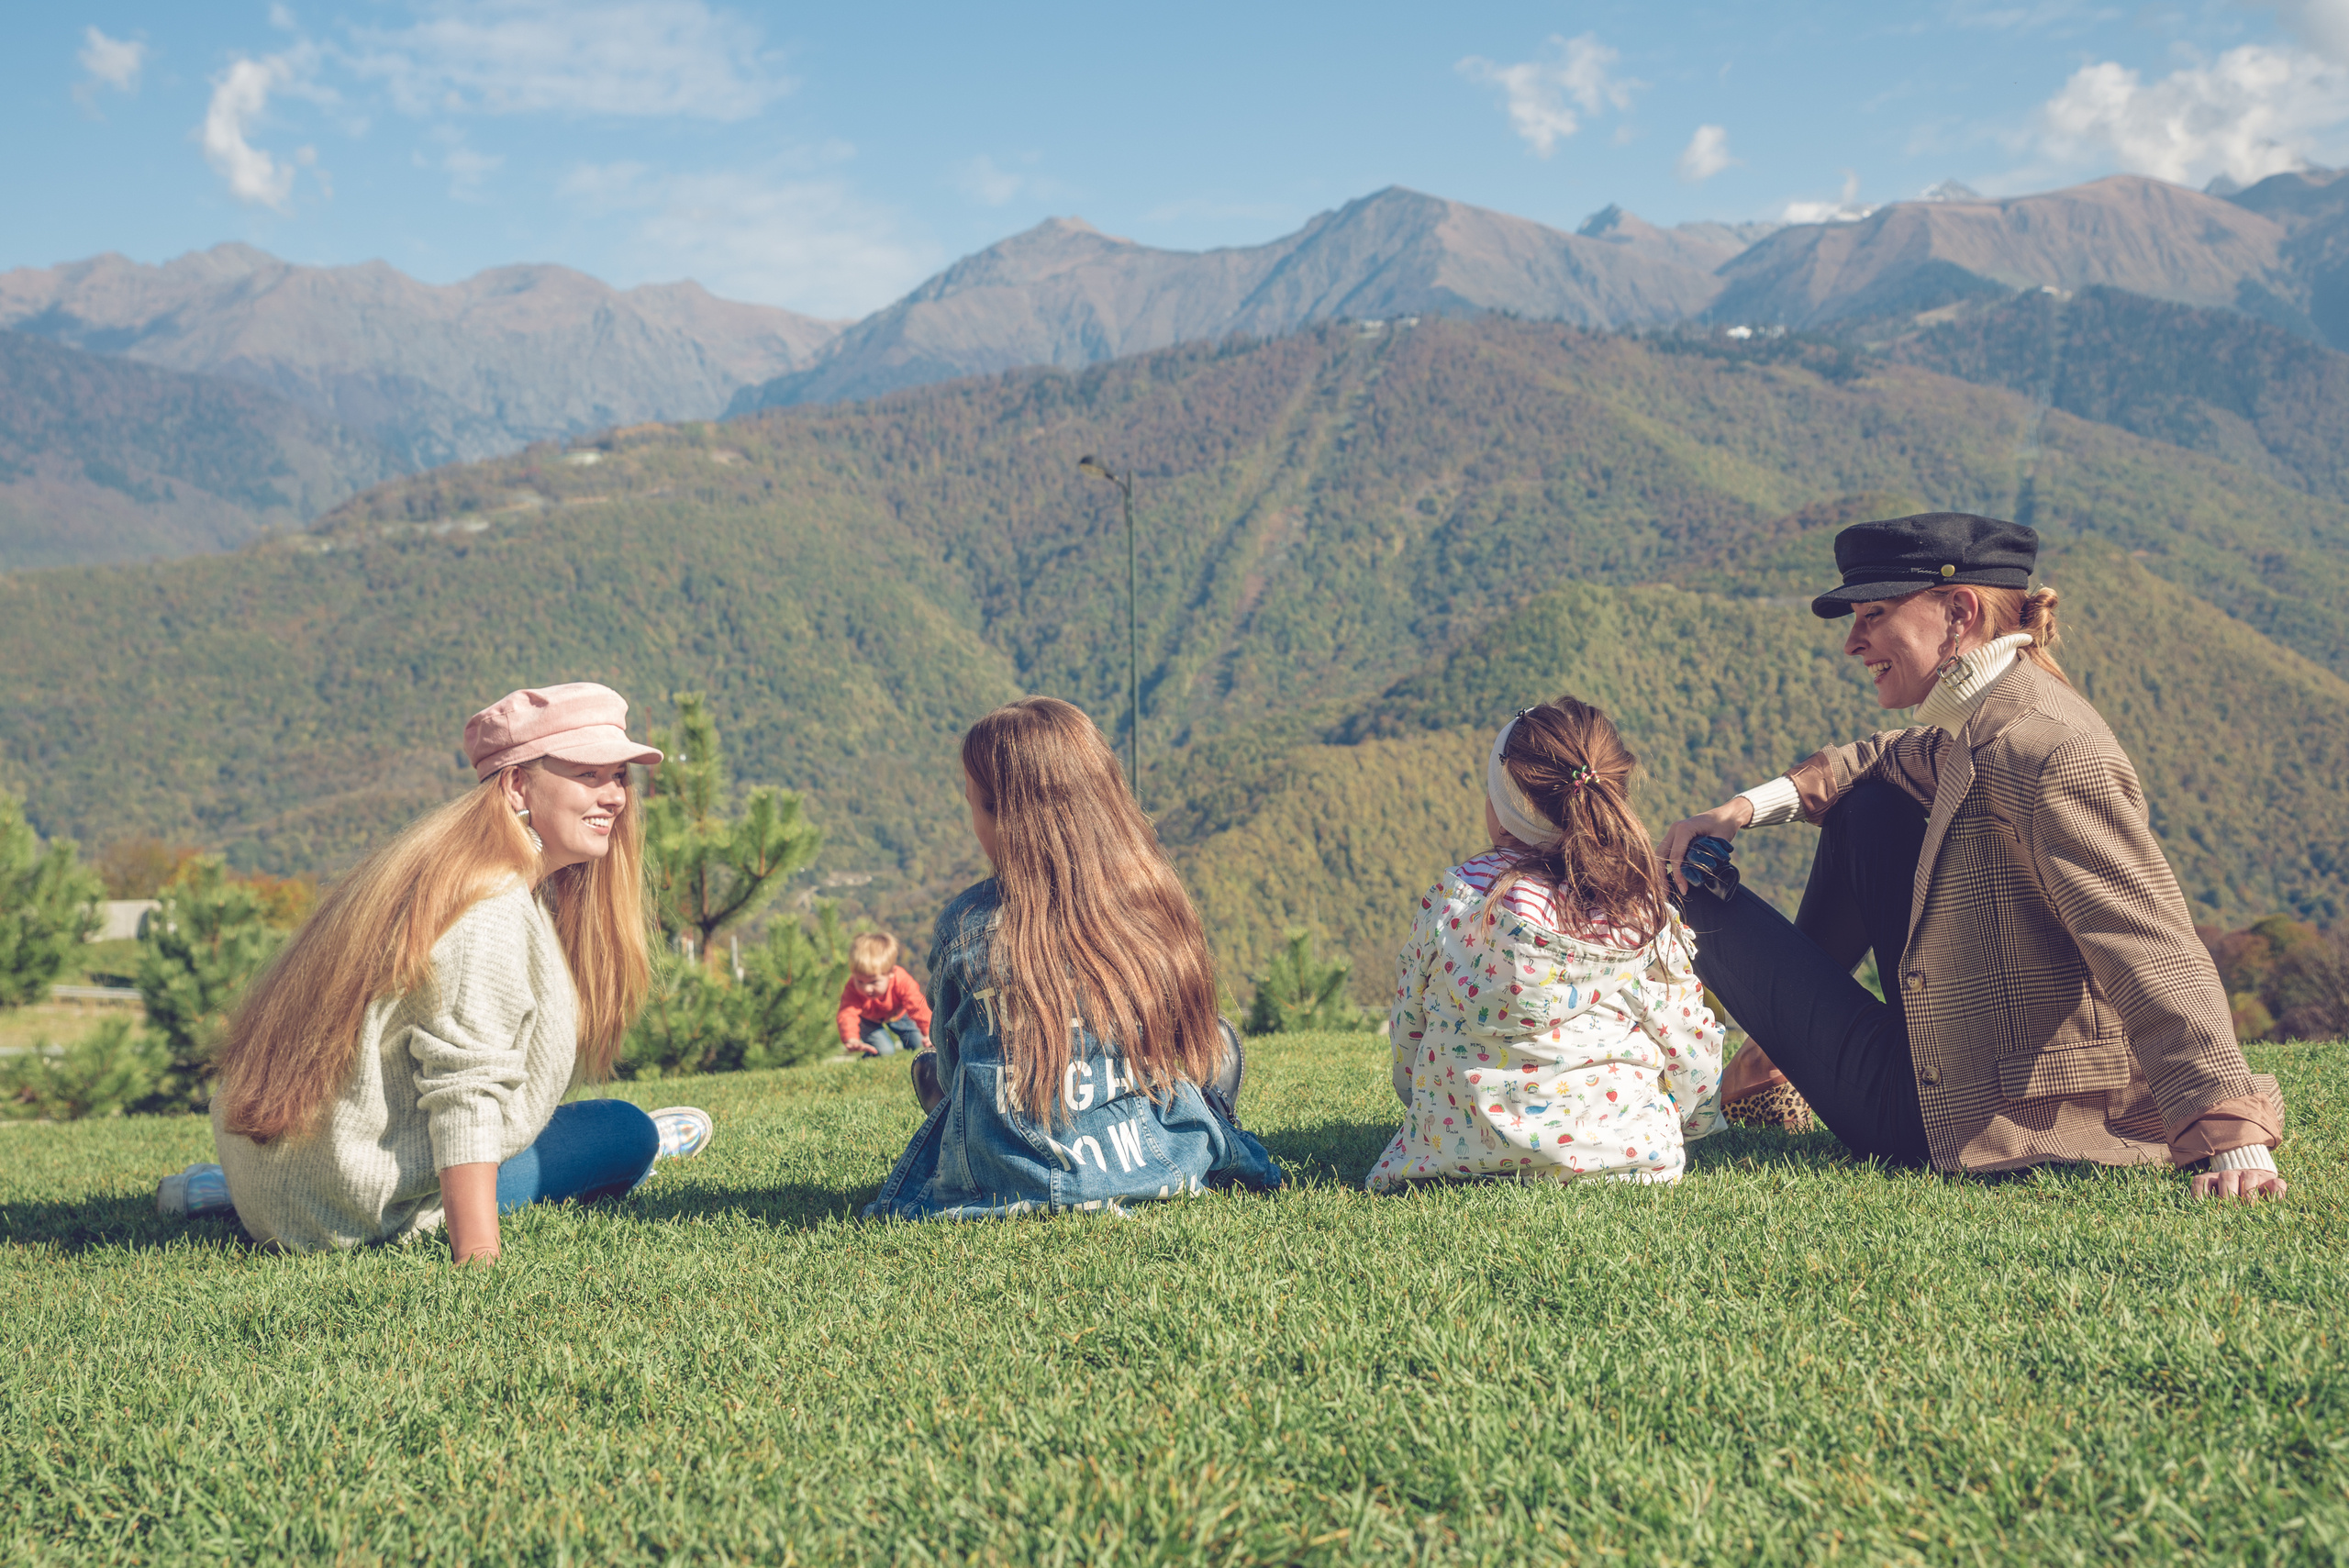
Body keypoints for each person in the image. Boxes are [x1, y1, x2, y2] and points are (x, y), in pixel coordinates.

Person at [1660, 513, 2288, 1200]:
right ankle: (1774, 1060)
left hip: (1967, 1120)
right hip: (1958, 1063)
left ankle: (1766, 1059)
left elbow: (2148, 943)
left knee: (1680, 881)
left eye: (1874, 613)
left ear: (1958, 611)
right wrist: (1740, 809)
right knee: (1867, 804)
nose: (1851, 641)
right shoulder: (1992, 715)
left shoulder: (2046, 751)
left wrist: (2232, 1137)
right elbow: (1885, 756)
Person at [196, 683, 715, 1257]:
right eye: (588, 775)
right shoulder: (488, 908)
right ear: (519, 784)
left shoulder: (441, 867)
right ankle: (637, 1150)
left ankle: (215, 1191)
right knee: (624, 1134)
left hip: (287, 1189)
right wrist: (478, 1264)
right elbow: (463, 1093)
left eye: (619, 775)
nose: (615, 797)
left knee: (577, 1130)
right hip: (360, 1212)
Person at [866, 696, 1283, 1219]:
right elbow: (1184, 1039)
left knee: (954, 1080)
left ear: (1001, 816)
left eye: (971, 801)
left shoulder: (965, 927)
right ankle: (1211, 1109)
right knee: (1191, 1072)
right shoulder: (1151, 901)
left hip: (1003, 1180)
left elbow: (955, 1068)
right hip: (1147, 1162)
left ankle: (966, 1121)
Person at [1367, 696, 1728, 1190]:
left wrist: (1420, 1103)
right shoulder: (1637, 912)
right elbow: (1688, 1041)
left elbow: (1410, 1021)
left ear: (1507, 808)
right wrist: (1695, 1119)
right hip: (1625, 1165)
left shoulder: (1455, 901)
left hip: (1450, 1163)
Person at [835, 931, 932, 1058]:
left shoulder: (901, 980)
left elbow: (917, 1006)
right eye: (860, 981)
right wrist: (851, 1038)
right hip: (868, 1019)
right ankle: (868, 1060)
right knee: (885, 1051)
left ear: (891, 973)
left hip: (899, 1014)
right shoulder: (852, 986)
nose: (866, 988)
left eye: (873, 981)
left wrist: (929, 1032)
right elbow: (847, 1012)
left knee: (919, 1045)